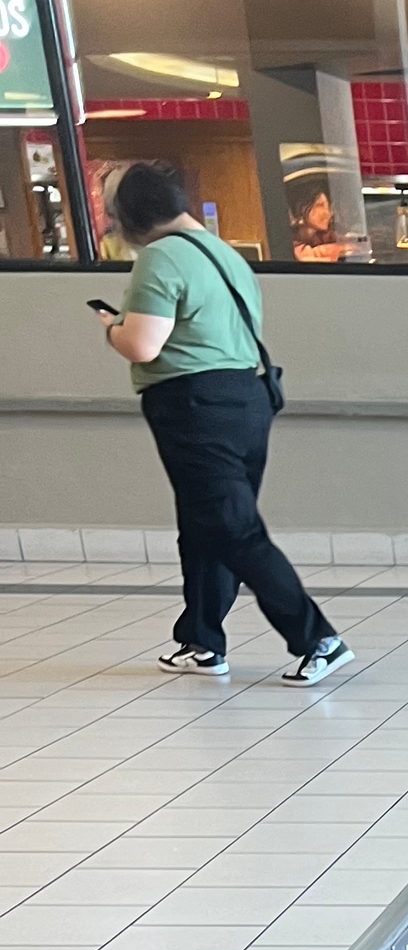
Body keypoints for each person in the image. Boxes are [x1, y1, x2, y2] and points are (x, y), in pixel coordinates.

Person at [94, 161, 350, 685]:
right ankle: (202, 640)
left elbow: (143, 343)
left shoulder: (161, 258)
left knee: (234, 529)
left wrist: (110, 327)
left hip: (194, 405)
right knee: (205, 524)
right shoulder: (225, 254)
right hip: (246, 398)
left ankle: (317, 638)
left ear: (135, 218)